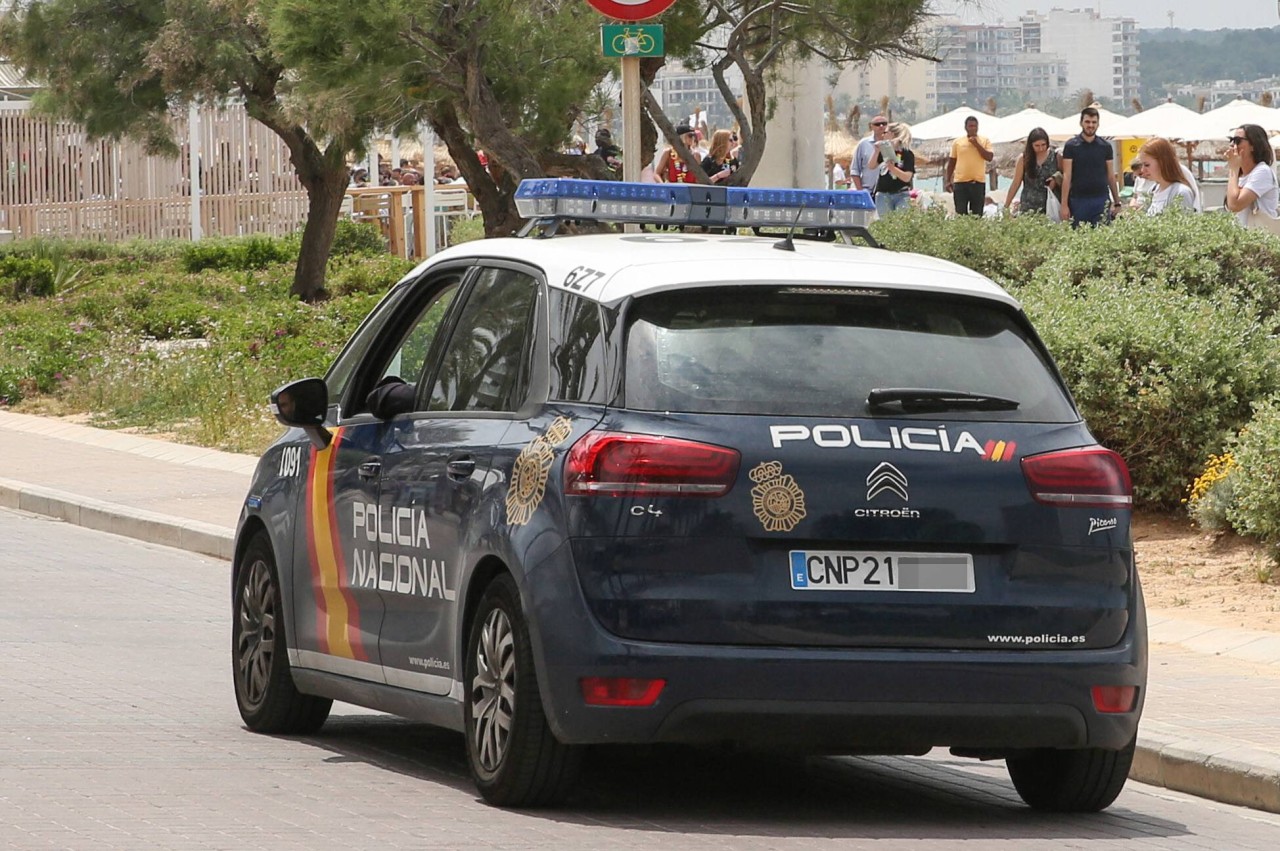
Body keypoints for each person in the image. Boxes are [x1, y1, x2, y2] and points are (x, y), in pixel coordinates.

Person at [1060, 106, 1121, 227]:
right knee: (1079, 238)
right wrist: (1064, 205)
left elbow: (1110, 176)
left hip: (1101, 200)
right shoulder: (1071, 146)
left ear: (1098, 124)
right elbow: (1067, 176)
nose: (1090, 125)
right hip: (1078, 200)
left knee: (1102, 238)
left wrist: (1117, 202)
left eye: (1094, 122)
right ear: (1081, 123)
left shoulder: (1105, 147)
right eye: (1087, 122)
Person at [1224, 123, 1279, 228]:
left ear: (1253, 146)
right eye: (1231, 140)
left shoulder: (1263, 172)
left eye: (1237, 140)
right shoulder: (1240, 176)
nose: (1232, 145)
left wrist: (1233, 169)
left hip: (1260, 240)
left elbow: (1234, 205)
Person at [944, 115, 994, 215]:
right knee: (961, 214)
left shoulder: (985, 141)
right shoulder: (957, 142)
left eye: (975, 126)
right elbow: (952, 162)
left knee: (977, 215)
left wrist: (977, 144)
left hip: (978, 183)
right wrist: (948, 180)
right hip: (960, 183)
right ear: (966, 127)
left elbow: (989, 157)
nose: (973, 128)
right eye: (970, 126)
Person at [1003, 127, 1059, 216]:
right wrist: (1006, 205)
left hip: (1050, 206)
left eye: (1043, 145)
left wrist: (1055, 179)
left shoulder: (1055, 157)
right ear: (1031, 145)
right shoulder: (1024, 159)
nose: (1041, 148)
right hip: (1028, 206)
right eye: (1037, 146)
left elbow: (1065, 176)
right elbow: (1016, 183)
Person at [1135, 138, 1196, 215]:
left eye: (1147, 165)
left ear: (1162, 162)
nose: (1143, 170)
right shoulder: (1153, 190)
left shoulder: (1180, 193)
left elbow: (1184, 225)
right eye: (1142, 165)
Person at [873, 123, 915, 217]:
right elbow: (871, 166)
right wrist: (876, 151)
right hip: (883, 194)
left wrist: (892, 168)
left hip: (901, 194)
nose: (883, 135)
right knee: (886, 224)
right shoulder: (884, 151)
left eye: (885, 132)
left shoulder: (907, 154)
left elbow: (907, 177)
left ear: (892, 134)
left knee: (902, 223)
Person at [851, 115, 892, 193]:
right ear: (871, 126)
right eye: (877, 124)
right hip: (868, 190)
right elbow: (855, 170)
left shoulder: (894, 143)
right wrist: (861, 192)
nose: (881, 126)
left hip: (889, 192)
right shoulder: (863, 144)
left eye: (884, 123)